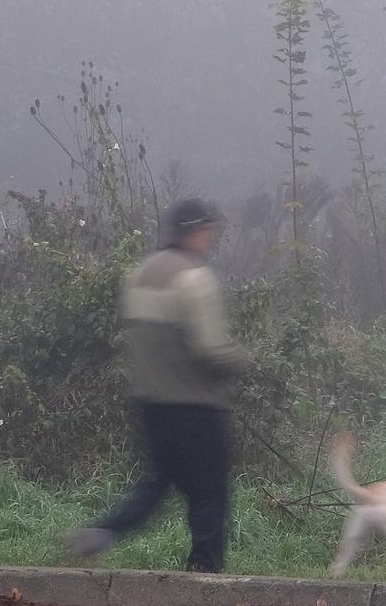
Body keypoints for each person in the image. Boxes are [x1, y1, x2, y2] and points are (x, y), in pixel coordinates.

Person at [65, 198, 249, 572]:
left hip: (150, 403)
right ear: (196, 231)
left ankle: (102, 531)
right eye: (209, 232)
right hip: (198, 406)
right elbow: (210, 349)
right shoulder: (194, 279)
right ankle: (205, 568)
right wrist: (242, 360)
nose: (210, 240)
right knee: (210, 491)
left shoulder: (138, 275)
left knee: (155, 483)